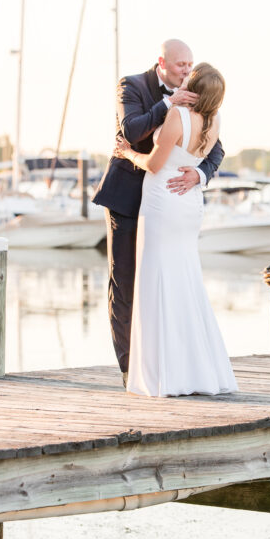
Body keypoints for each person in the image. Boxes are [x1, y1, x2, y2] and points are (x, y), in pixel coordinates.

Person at [93, 40, 224, 385]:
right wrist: (169, 103)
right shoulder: (132, 86)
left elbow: (216, 148)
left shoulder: (196, 101)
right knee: (125, 285)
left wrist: (200, 173)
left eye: (190, 65)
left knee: (165, 282)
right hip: (126, 198)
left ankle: (168, 364)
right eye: (181, 65)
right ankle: (129, 369)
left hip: (169, 202)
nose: (186, 72)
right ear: (162, 63)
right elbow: (132, 130)